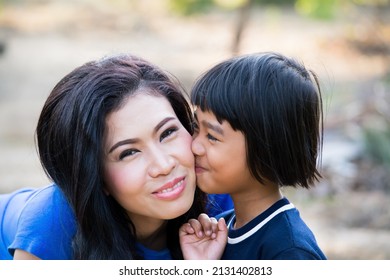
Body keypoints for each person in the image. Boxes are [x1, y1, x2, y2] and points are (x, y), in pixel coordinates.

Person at [0, 53, 228, 260]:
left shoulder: (222, 195)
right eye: (128, 153)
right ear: (96, 177)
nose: (164, 165)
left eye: (167, 133)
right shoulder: (52, 222)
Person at [185, 52, 327, 259]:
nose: (195, 146)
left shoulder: (289, 251)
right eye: (195, 127)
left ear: (266, 148)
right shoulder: (218, 231)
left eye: (212, 136)